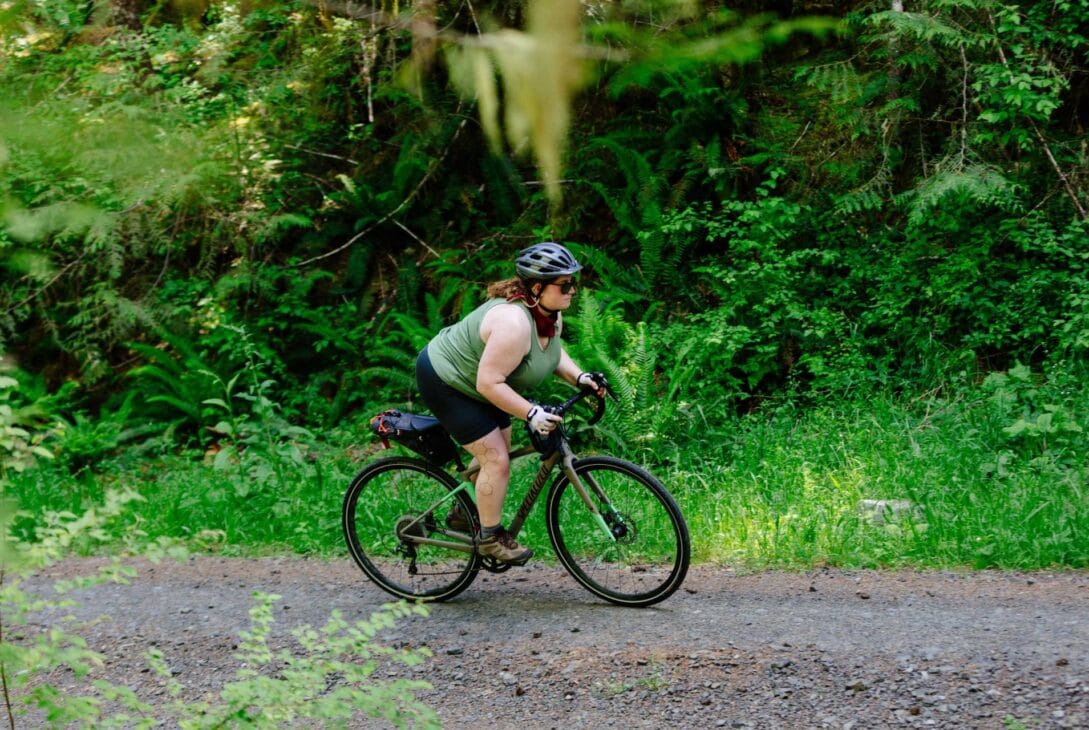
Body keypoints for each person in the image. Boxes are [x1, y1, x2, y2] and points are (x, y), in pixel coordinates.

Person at [415, 242, 607, 565]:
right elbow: (488, 383)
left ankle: (464, 513)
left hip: (484, 380)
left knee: (499, 446)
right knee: (497, 460)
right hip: (446, 379)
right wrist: (531, 413)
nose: (572, 290)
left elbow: (552, 353)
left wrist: (580, 377)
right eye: (564, 284)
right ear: (537, 288)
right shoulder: (513, 323)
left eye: (573, 282)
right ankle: (490, 539)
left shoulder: (550, 316)